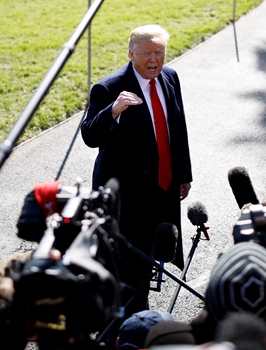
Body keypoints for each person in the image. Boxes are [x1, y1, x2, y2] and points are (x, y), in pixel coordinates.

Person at [81, 24, 192, 312]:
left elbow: (177, 128)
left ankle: (138, 306)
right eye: (146, 53)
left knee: (153, 254)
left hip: (162, 187)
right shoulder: (108, 88)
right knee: (126, 266)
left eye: (159, 52)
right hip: (128, 197)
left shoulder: (170, 77)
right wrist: (113, 110)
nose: (154, 59)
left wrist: (183, 174)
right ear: (131, 54)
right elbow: (90, 136)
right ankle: (127, 320)